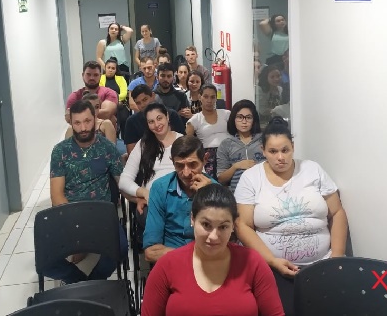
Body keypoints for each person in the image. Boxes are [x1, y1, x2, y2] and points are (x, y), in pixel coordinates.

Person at [141, 185, 284, 316]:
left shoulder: (252, 262)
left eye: (223, 227)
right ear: (192, 219)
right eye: (206, 225)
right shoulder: (167, 265)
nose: (214, 236)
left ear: (233, 225)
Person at [235, 118, 348, 277]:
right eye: (273, 151)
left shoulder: (312, 169)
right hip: (272, 267)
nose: (280, 157)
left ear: (293, 147)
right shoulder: (251, 177)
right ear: (263, 151)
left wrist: (337, 257)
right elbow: (243, 225)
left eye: (285, 150)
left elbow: (337, 212)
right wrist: (272, 261)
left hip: (324, 263)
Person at [48, 100, 127, 284]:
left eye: (87, 121)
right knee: (46, 261)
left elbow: (122, 182)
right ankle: (78, 281)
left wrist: (139, 196)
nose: (83, 128)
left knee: (121, 248)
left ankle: (94, 282)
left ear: (95, 119)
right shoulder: (60, 151)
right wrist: (75, 222)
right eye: (77, 123)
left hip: (101, 214)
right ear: (71, 123)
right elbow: (57, 195)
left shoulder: (107, 148)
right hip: (69, 214)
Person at [143, 136, 216, 263]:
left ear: (205, 159)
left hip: (206, 264)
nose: (186, 173)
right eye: (180, 166)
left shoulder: (216, 192)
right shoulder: (160, 188)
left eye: (192, 164)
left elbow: (221, 246)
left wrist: (206, 196)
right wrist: (192, 259)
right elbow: (151, 251)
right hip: (175, 262)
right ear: (172, 162)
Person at [119, 103, 182, 211]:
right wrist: (144, 193)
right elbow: (124, 181)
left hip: (180, 201)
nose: (157, 125)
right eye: (151, 122)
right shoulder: (143, 145)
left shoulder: (183, 142)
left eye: (159, 118)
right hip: (152, 203)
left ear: (167, 117)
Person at [216, 100, 264, 193]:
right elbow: (221, 179)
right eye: (240, 117)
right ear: (233, 119)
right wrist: (236, 166)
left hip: (263, 191)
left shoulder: (264, 140)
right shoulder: (226, 144)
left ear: (254, 120)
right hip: (237, 194)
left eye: (248, 117)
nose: (244, 121)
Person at [123, 85, 185, 155]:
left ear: (153, 96)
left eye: (145, 100)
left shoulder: (172, 115)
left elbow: (183, 142)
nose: (142, 105)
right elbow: (131, 152)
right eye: (138, 103)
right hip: (145, 158)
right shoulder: (132, 121)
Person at [185, 84, 231, 178]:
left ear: (216, 98)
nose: (209, 100)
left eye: (212, 97)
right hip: (209, 155)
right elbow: (188, 143)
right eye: (206, 97)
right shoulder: (194, 120)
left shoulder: (226, 114)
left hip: (229, 151)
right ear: (200, 97)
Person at [100, 57, 130, 135]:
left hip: (121, 105)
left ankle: (125, 138)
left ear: (116, 70)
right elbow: (101, 94)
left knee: (124, 118)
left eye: (113, 68)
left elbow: (124, 93)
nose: (110, 70)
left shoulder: (121, 78)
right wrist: (112, 101)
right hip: (106, 106)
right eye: (109, 67)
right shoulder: (101, 78)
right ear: (105, 68)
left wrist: (113, 100)